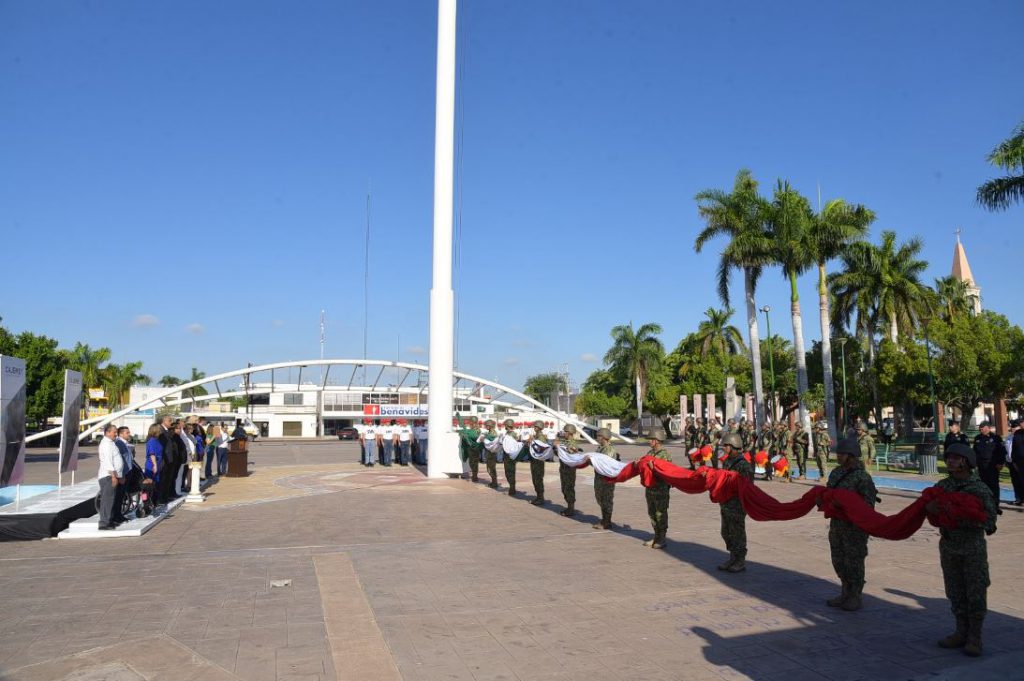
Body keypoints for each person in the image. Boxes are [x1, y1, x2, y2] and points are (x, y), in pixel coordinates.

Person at [932, 442, 998, 657]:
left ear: (967, 463)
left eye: (956, 458)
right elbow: (933, 514)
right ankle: (961, 631)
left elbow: (989, 522)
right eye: (949, 457)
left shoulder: (979, 489)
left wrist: (963, 515)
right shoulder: (942, 486)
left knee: (975, 591)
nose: (950, 461)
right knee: (955, 591)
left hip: (972, 547)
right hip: (949, 546)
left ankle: (975, 637)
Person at [824, 437, 877, 612]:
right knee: (838, 559)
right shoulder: (836, 473)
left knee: (854, 561)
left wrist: (846, 504)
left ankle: (855, 595)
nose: (838, 456)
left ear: (852, 455)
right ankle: (845, 591)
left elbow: (868, 505)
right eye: (838, 453)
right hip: (837, 525)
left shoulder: (862, 477)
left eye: (842, 454)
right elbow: (828, 492)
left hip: (855, 527)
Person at [717, 432, 753, 572]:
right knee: (725, 532)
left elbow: (748, 487)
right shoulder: (727, 462)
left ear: (733, 446)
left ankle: (740, 560)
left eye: (726, 446)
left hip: (737, 505)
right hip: (726, 503)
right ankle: (732, 557)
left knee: (737, 532)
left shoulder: (744, 466)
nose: (724, 448)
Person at [642, 433, 673, 549]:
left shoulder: (665, 455)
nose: (649, 441)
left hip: (661, 490)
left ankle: (662, 538)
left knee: (661, 514)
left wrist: (653, 468)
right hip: (650, 489)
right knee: (652, 513)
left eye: (651, 439)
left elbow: (667, 473)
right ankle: (656, 536)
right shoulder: (649, 453)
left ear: (657, 440)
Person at [97, 424, 124, 530]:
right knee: (107, 500)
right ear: (107, 432)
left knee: (112, 499)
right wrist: (113, 476)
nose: (116, 434)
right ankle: (104, 522)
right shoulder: (106, 444)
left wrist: (120, 475)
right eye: (114, 432)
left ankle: (110, 520)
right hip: (108, 476)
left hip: (113, 475)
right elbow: (107, 461)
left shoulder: (111, 443)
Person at [592, 428, 620, 530]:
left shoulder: (609, 450)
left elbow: (605, 464)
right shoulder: (600, 448)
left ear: (604, 437)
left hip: (607, 479)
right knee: (600, 498)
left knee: (607, 500)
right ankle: (604, 519)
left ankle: (607, 521)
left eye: (599, 436)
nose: (597, 438)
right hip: (599, 478)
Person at [972, 421, 1003, 507]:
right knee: (983, 484)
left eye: (982, 428)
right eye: (980, 428)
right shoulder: (977, 438)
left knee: (993, 484)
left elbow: (1001, 451)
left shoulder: (996, 438)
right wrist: (974, 464)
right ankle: (985, 502)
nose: (980, 429)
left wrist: (1000, 463)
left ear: (988, 428)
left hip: (992, 465)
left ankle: (995, 503)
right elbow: (974, 452)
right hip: (981, 465)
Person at [113, 426, 136, 524]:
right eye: (127, 432)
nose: (129, 434)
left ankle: (119, 515)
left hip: (128, 472)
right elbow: (119, 460)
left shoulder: (125, 443)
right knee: (118, 496)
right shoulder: (119, 443)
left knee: (122, 495)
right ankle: (116, 516)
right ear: (121, 434)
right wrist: (121, 474)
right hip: (123, 473)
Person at [557, 424, 581, 517]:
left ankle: (571, 508)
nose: (564, 433)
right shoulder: (564, 442)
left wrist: (563, 448)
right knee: (564, 488)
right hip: (563, 468)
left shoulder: (572, 443)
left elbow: (572, 454)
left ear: (570, 432)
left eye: (566, 431)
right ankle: (569, 506)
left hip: (569, 470)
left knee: (569, 488)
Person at [527, 420, 548, 505]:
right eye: (534, 426)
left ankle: (540, 498)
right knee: (535, 479)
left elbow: (540, 449)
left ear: (539, 427)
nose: (534, 428)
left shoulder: (541, 437)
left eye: (535, 427)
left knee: (538, 479)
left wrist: (532, 442)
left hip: (538, 461)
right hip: (534, 460)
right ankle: (538, 496)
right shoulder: (536, 436)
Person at [456, 415, 482, 480]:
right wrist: (462, 432)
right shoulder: (472, 430)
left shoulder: (477, 430)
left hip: (474, 449)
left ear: (472, 422)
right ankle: (474, 475)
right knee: (472, 463)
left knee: (473, 463)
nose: (469, 423)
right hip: (472, 449)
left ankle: (475, 476)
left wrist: (466, 434)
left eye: (470, 422)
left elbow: (474, 436)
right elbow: (467, 432)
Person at [144, 423, 163, 503]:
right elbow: (152, 454)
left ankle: (154, 501)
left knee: (156, 484)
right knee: (148, 485)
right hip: (151, 464)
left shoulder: (157, 440)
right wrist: (154, 465)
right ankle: (146, 501)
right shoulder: (151, 440)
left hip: (157, 463)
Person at [1009, 419, 1024, 505]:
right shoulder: (1017, 434)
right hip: (1020, 462)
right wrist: (1014, 461)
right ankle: (1020, 499)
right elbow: (1014, 449)